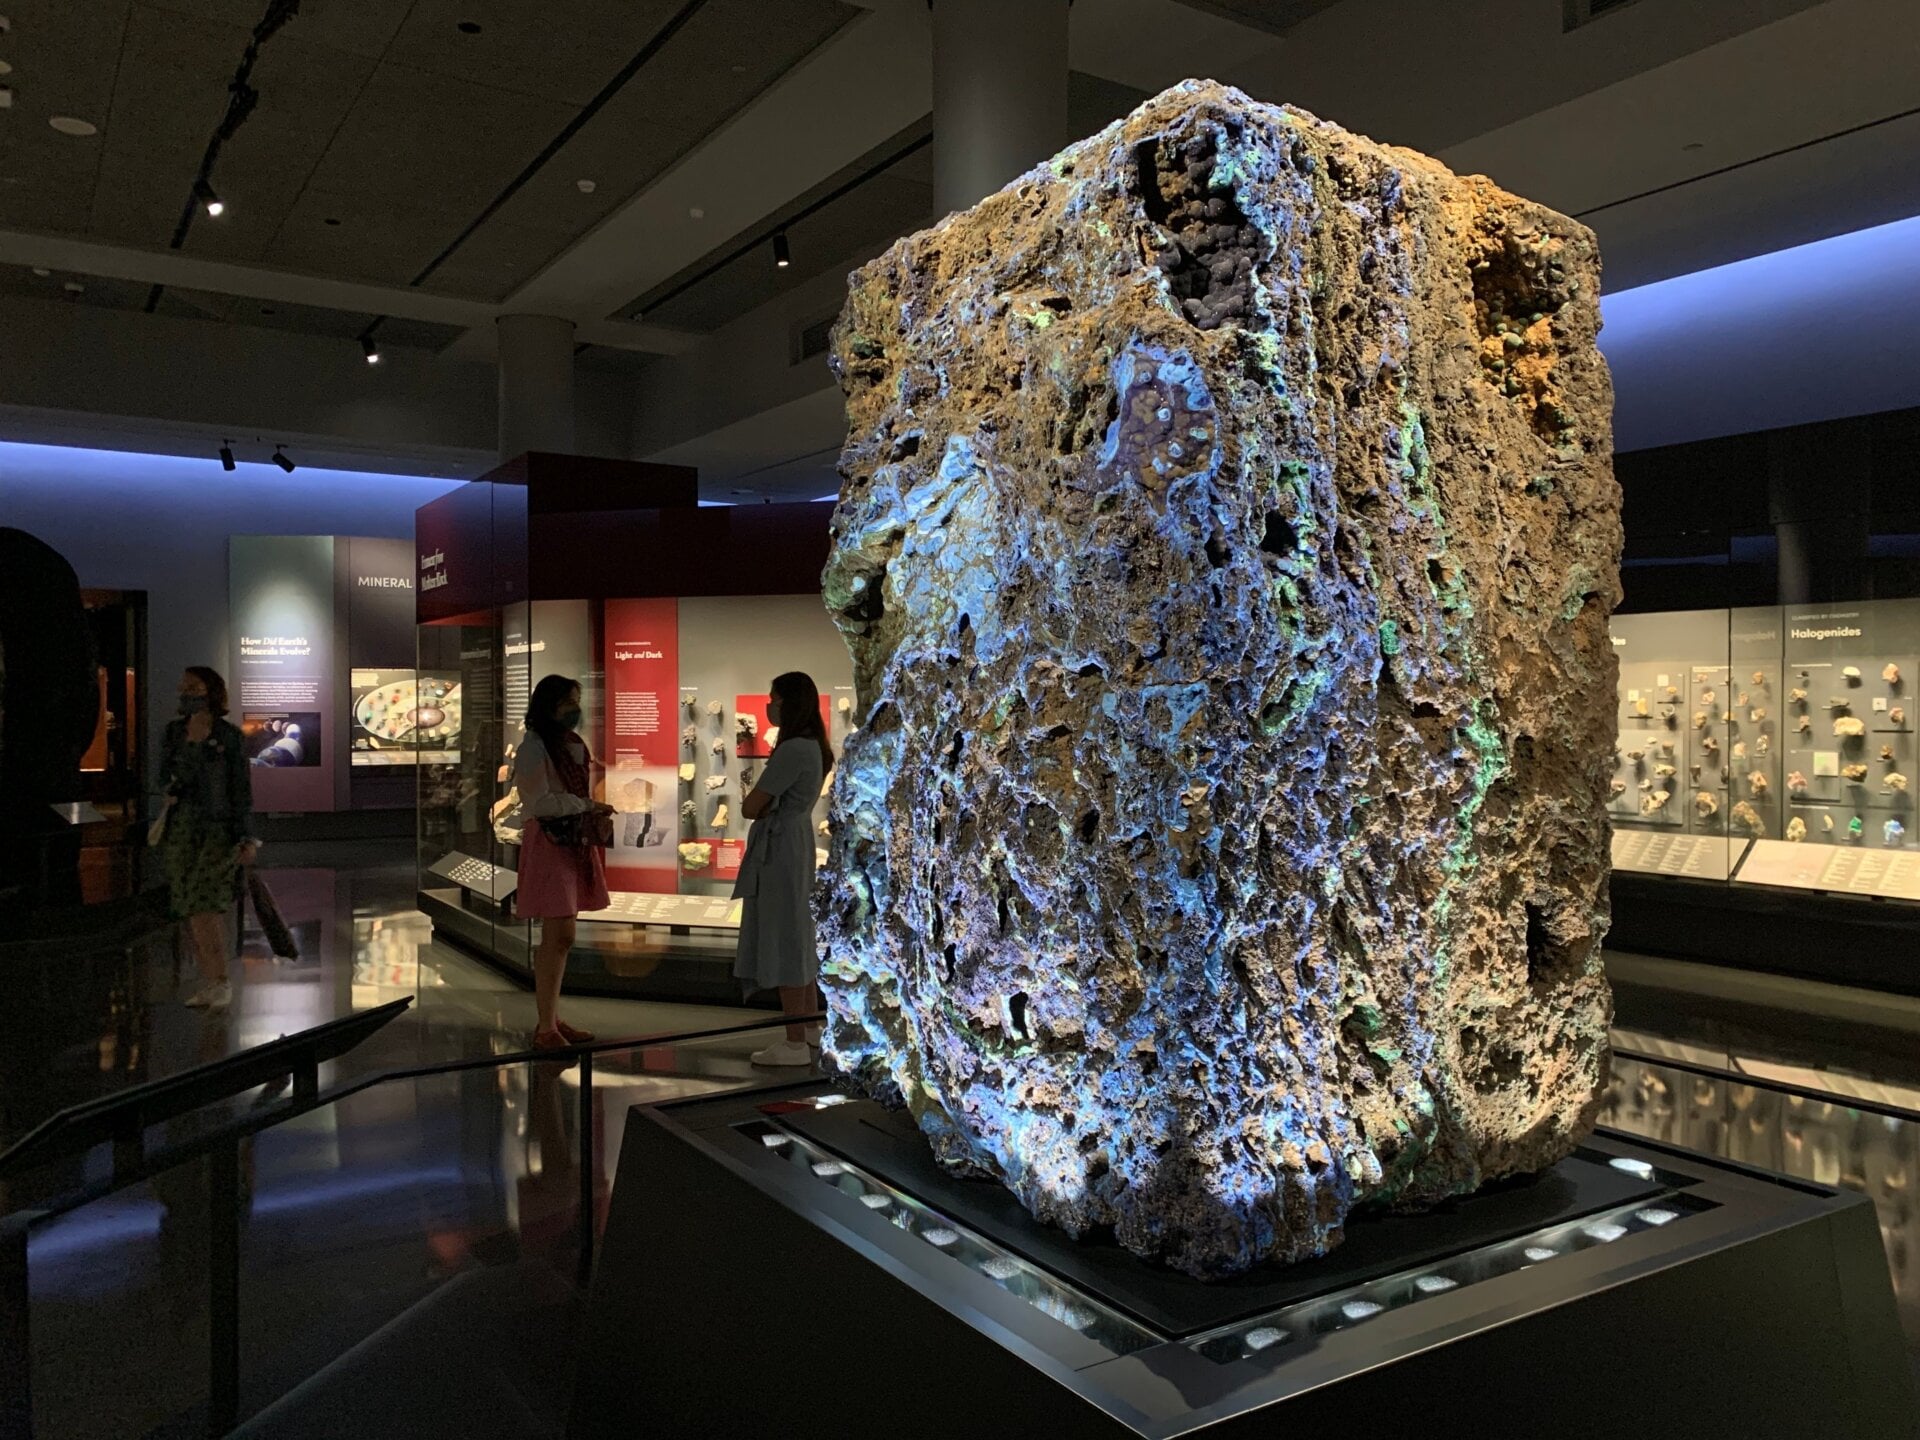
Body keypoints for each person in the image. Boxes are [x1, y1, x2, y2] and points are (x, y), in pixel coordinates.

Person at [735, 671, 832, 1066]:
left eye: (774, 698)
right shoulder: (814, 747)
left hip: (780, 848)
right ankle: (808, 1030)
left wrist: (763, 805)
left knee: (785, 937)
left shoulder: (793, 749)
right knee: (798, 933)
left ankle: (794, 1039)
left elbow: (750, 806)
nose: (769, 705)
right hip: (794, 840)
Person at [513, 674, 612, 1050]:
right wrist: (585, 805)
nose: (576, 709)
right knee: (558, 935)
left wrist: (587, 808)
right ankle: (545, 1026)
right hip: (552, 839)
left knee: (562, 935)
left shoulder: (569, 744)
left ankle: (551, 1018)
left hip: (571, 838)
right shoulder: (534, 747)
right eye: (569, 701)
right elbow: (539, 803)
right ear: (551, 705)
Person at [160, 667, 256, 1010]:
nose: (187, 692)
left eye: (195, 687)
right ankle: (210, 979)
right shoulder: (173, 733)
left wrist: (247, 836)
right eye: (184, 686)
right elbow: (166, 778)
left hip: (217, 830)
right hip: (183, 829)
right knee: (189, 905)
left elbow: (239, 788)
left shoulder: (229, 736)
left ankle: (220, 980)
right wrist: (189, 753)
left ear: (211, 692)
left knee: (206, 906)